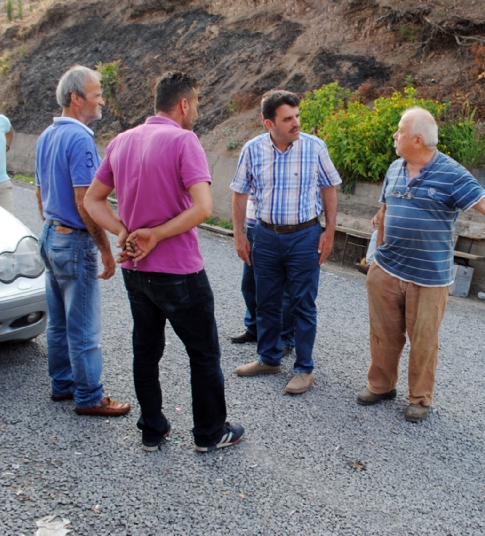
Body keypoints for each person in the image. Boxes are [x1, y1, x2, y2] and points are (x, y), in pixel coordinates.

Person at [356, 106, 485, 422]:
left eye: (400, 131)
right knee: (382, 333)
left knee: (423, 341)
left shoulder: (451, 173)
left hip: (428, 278)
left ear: (418, 140)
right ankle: (381, 386)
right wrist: (376, 260)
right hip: (386, 269)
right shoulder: (395, 168)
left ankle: (419, 399)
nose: (394, 135)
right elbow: (385, 210)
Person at [84, 71, 244, 453]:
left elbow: (92, 201)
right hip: (179, 271)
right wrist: (155, 234)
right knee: (203, 353)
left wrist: (122, 230)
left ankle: (152, 430)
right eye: (197, 103)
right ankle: (209, 433)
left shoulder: (121, 141)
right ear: (184, 103)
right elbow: (204, 208)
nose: (196, 111)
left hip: (136, 271)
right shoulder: (184, 140)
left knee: (146, 350)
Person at [230, 90, 341, 395]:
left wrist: (329, 231)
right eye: (288, 118)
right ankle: (268, 358)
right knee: (266, 299)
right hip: (265, 235)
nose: (296, 123)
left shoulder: (315, 147)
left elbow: (329, 188)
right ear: (269, 123)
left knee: (303, 303)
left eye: (297, 116)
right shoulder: (252, 150)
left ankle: (304, 369)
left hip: (305, 236)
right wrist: (239, 234)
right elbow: (239, 192)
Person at [35, 65, 130, 418]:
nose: (101, 100)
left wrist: (49, 227)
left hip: (50, 233)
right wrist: (106, 249)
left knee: (59, 320)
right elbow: (85, 200)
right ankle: (89, 396)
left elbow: (39, 190)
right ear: (77, 99)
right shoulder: (79, 139)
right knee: (84, 326)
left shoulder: (47, 135)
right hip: (73, 241)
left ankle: (62, 384)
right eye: (96, 94)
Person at [230, 191, 295, 357]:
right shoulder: (252, 163)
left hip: (280, 229)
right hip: (254, 225)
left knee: (285, 290)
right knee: (249, 283)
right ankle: (254, 328)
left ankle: (284, 338)